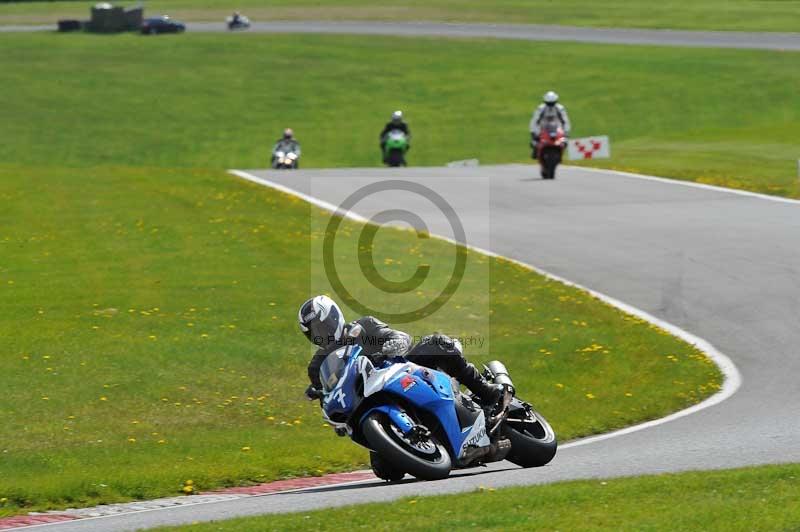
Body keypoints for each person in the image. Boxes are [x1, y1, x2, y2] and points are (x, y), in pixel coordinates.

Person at [298, 295, 502, 407]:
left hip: (403, 372)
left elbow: (399, 336)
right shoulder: (318, 365)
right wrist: (319, 394)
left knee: (437, 342)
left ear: (334, 318)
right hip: (370, 400)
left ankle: (485, 390)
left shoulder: (363, 326)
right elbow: (328, 398)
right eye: (314, 333)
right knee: (383, 467)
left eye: (322, 328)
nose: (321, 335)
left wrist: (393, 345)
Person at [529, 91, 571, 159]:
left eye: (552, 103)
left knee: (565, 141)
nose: (551, 105)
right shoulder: (540, 108)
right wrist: (533, 132)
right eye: (549, 103)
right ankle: (536, 151)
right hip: (543, 128)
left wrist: (566, 132)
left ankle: (560, 153)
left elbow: (565, 121)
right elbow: (534, 121)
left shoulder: (560, 108)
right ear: (545, 102)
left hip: (557, 128)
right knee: (534, 142)